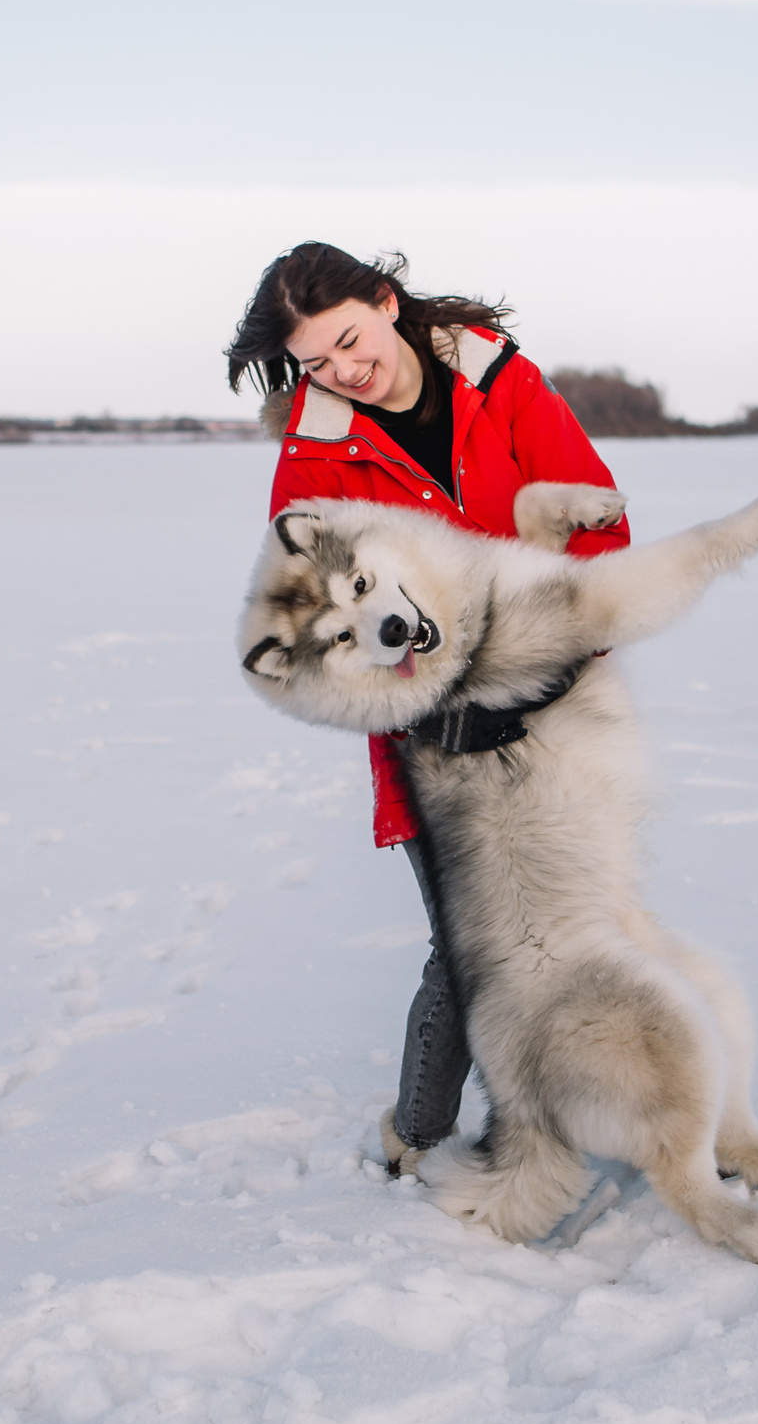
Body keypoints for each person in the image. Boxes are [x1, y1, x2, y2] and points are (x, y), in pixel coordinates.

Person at [224, 241, 630, 1167]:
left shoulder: (502, 383)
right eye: (318, 362)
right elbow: (320, 623)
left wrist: (557, 649)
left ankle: (604, 1108)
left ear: (386, 300)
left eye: (352, 341)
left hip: (553, 704)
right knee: (470, 945)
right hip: (432, 736)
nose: (344, 371)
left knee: (578, 923)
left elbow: (599, 522)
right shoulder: (316, 457)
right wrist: (429, 696)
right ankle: (416, 1131)